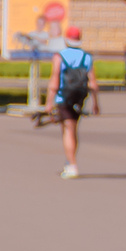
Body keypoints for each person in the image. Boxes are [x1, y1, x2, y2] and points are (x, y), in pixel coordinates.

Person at [52, 27, 96, 179]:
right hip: (79, 98)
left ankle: (72, 165)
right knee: (73, 129)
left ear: (66, 39)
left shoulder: (60, 56)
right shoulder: (87, 57)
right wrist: (95, 103)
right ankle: (69, 161)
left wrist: (48, 102)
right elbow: (93, 83)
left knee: (67, 130)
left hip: (63, 97)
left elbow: (54, 80)